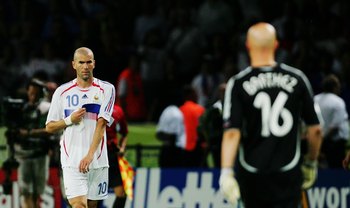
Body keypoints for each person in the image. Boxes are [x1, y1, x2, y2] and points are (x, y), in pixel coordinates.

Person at [219, 22, 323, 208]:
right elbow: (315, 130)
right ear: (276, 45)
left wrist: (226, 172)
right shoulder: (297, 78)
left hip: (252, 175)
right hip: (288, 174)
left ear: (248, 46)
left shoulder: (238, 83)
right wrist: (311, 163)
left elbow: (232, 133)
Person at [45, 47, 115, 208]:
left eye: (88, 62)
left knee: (91, 206)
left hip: (97, 160)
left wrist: (90, 155)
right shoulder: (62, 92)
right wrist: (69, 119)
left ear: (94, 64)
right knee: (79, 205)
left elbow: (102, 123)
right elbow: (49, 127)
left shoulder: (107, 89)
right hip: (72, 160)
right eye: (81, 62)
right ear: (74, 65)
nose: (85, 66)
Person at [13, 78, 52, 208]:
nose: (33, 96)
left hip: (40, 154)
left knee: (37, 192)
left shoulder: (46, 108)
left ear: (42, 93)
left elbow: (49, 130)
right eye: (31, 93)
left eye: (36, 93)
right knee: (25, 192)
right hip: (23, 154)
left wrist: (29, 133)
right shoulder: (22, 108)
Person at [314, 74, 349, 168]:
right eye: (338, 86)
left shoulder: (315, 99)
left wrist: (318, 140)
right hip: (334, 145)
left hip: (316, 141)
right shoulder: (338, 102)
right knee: (336, 170)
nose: (340, 88)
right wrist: (323, 139)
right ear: (334, 87)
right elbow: (335, 126)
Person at [105, 104, 129, 208]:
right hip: (95, 156)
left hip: (111, 156)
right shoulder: (91, 107)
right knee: (92, 196)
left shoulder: (118, 110)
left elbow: (124, 133)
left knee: (122, 194)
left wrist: (122, 148)